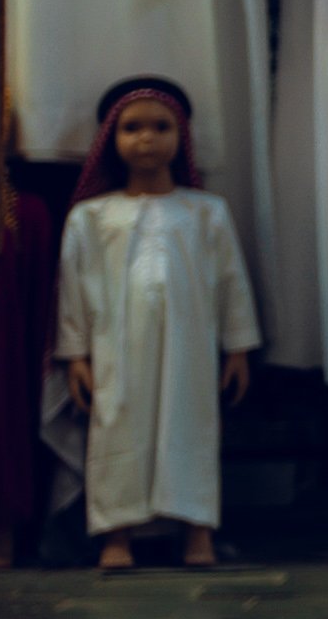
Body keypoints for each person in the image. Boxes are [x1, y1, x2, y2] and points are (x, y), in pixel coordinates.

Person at [48, 77, 259, 571]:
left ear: (181, 135)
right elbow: (73, 290)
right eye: (132, 128)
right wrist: (75, 355)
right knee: (116, 428)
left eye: (161, 127)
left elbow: (232, 283)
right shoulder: (91, 217)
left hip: (190, 348)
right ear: (112, 139)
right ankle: (115, 535)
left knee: (191, 426)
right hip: (114, 349)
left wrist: (238, 350)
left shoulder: (206, 212)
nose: (147, 138)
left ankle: (197, 531)